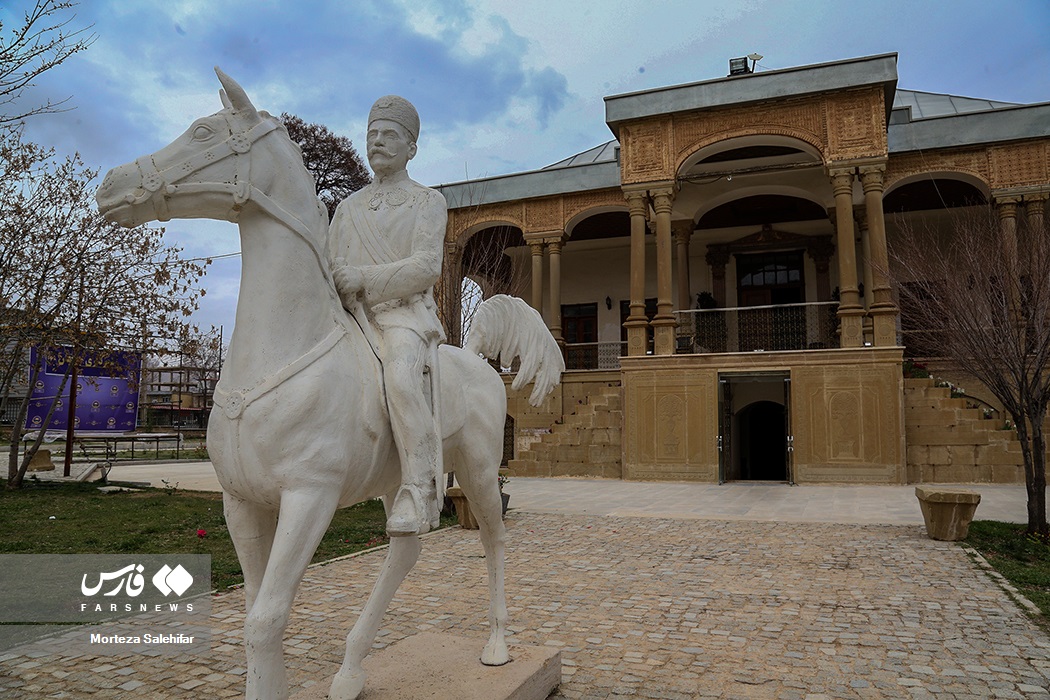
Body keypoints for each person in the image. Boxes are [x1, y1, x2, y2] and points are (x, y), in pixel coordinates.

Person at [327, 95, 446, 537]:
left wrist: (361, 277)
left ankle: (418, 489)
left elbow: (425, 268)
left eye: (389, 135)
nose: (378, 142)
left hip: (402, 316)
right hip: (350, 315)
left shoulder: (427, 202)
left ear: (411, 147)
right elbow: (329, 262)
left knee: (399, 378)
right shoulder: (347, 208)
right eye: (372, 134)